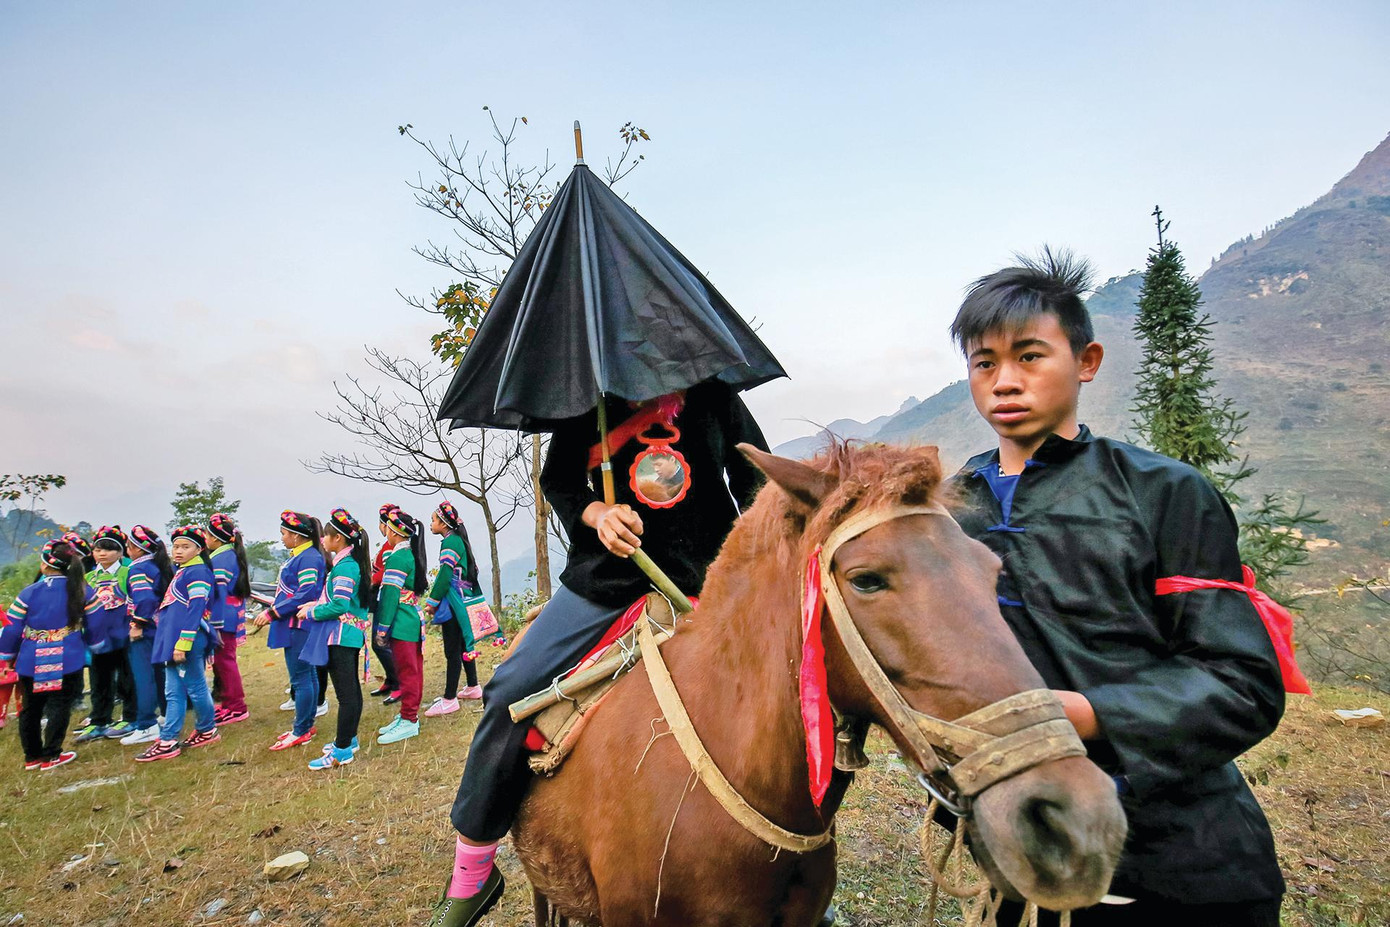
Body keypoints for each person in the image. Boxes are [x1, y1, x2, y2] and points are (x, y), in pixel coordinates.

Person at [945, 250, 1286, 926]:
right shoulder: (953, 511)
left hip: (1180, 861)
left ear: (1087, 361)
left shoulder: (1163, 493)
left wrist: (1086, 711)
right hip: (1025, 845)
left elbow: (1242, 683)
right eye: (985, 363)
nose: (1004, 381)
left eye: (1030, 356)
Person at [429, 381, 768, 927]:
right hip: (607, 581)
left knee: (787, 691)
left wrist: (750, 559)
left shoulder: (714, 393)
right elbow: (560, 482)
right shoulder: (585, 402)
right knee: (509, 690)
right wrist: (599, 517)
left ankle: (794, 871)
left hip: (714, 577)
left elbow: (755, 478)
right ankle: (473, 870)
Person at [0, 540, 101, 770]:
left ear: (45, 566)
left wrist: (6, 654)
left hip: (31, 656)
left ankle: (32, 757)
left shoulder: (29, 593)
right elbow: (97, 619)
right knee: (59, 705)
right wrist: (94, 642)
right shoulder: (82, 590)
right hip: (67, 655)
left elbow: (13, 627)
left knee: (30, 707)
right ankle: (52, 755)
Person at [135, 526, 221, 761]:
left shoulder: (198, 573)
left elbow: (195, 609)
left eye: (186, 546)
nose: (179, 551)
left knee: (186, 688)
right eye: (176, 546)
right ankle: (203, 730)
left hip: (187, 640)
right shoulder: (183, 572)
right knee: (180, 689)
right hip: (177, 639)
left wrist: (183, 643)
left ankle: (171, 739)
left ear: (199, 549)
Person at [300, 507, 373, 769]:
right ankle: (348, 739)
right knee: (350, 690)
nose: (322, 539)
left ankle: (342, 750)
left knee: (346, 694)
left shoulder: (345, 568)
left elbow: (340, 606)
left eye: (327, 535)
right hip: (345, 635)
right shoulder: (349, 564)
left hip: (341, 635)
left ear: (338, 539)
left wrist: (311, 612)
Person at [255, 511, 326, 751]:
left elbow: (305, 592)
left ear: (297, 536)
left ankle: (301, 729)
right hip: (296, 623)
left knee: (301, 678)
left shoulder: (308, 558)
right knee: (308, 675)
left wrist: (273, 612)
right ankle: (306, 723)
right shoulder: (302, 556)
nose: (283, 538)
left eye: (284, 534)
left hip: (299, 624)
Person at [73, 525, 134, 743]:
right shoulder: (88, 577)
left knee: (127, 679)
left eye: (108, 549)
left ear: (120, 552)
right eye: (98, 549)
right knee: (99, 680)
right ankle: (99, 720)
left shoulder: (128, 572)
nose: (102, 553)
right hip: (97, 638)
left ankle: (130, 717)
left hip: (124, 636)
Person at [422, 500, 483, 718]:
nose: (431, 524)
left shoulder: (449, 543)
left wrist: (432, 601)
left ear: (444, 523)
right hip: (462, 597)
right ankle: (473, 685)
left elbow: (445, 575)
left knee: (452, 650)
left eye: (433, 520)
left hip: (453, 601)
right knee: (462, 644)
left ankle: (449, 699)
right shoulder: (458, 540)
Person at [374, 508, 429, 744]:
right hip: (411, 617)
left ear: (395, 532)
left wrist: (382, 627)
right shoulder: (409, 554)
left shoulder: (397, 557)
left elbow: (389, 595)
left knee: (407, 671)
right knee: (411, 670)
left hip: (402, 620)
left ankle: (409, 719)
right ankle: (408, 715)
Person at [119, 525, 173, 746]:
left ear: (136, 548)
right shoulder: (157, 566)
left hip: (147, 629)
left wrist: (137, 624)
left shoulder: (138, 569)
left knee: (143, 678)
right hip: (160, 628)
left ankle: (146, 724)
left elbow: (145, 599)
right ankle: (166, 713)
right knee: (160, 673)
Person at [206, 513, 251, 725]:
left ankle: (236, 706)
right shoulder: (229, 555)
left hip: (222, 617)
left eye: (207, 534)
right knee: (222, 661)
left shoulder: (220, 559)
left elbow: (218, 594)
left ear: (215, 538)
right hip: (229, 614)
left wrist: (214, 624)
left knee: (225, 661)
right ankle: (227, 703)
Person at [369, 503, 403, 703]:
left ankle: (398, 682)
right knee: (381, 642)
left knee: (381, 642)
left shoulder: (393, 547)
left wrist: (371, 579)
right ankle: (391, 679)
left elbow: (388, 572)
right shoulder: (387, 546)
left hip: (388, 597)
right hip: (381, 596)